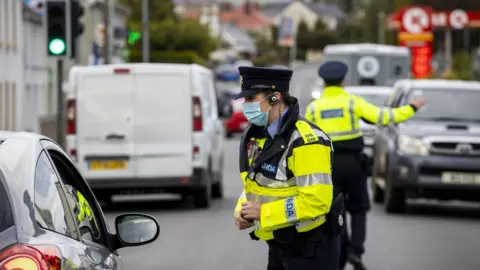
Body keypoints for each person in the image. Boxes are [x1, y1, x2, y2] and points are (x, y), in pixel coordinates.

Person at [305, 61, 426, 270]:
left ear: (324, 82)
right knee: (359, 210)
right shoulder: (352, 102)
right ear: (343, 81)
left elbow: (304, 140)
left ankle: (341, 255)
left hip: (327, 169)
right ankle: (356, 252)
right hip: (353, 164)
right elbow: (385, 117)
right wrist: (412, 107)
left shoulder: (314, 108)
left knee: (335, 213)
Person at [233, 66, 344, 270]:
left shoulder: (307, 141)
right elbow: (255, 185)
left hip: (311, 249)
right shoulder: (259, 135)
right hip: (279, 243)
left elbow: (317, 202)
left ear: (275, 98)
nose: (245, 105)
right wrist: (242, 211)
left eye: (251, 98)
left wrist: (264, 212)